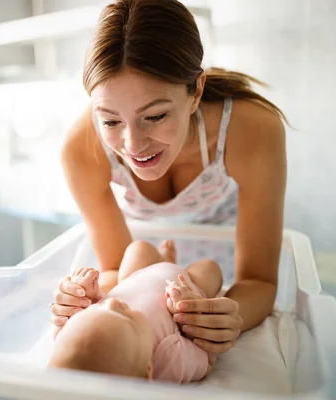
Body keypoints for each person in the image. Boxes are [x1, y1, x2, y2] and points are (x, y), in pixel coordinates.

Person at [50, 0, 287, 355]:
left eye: (155, 116)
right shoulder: (81, 149)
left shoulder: (252, 129)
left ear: (196, 91)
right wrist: (89, 295)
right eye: (111, 121)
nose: (133, 145)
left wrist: (230, 313)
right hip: (138, 269)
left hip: (226, 276)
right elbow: (115, 267)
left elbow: (258, 279)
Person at [50, 240, 222, 383]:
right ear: (148, 369)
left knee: (138, 248)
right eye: (125, 316)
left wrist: (86, 295)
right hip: (188, 283)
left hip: (136, 277)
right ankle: (170, 262)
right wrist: (189, 311)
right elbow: (207, 360)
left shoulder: (79, 337)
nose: (112, 303)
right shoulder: (167, 360)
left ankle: (165, 259)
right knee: (209, 269)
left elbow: (66, 327)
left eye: (97, 309)